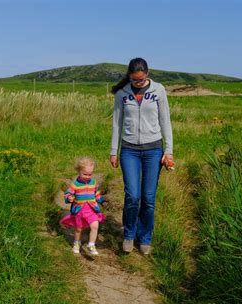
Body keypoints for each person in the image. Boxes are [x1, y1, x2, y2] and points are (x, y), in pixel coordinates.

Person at [110, 57, 174, 255]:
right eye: (134, 80)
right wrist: (114, 151)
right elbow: (117, 124)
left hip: (153, 150)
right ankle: (129, 234)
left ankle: (145, 237)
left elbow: (165, 121)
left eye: (141, 80)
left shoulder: (159, 90)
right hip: (129, 149)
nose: (137, 83)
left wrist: (168, 150)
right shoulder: (122, 93)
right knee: (132, 196)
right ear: (129, 76)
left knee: (148, 198)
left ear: (147, 75)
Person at [60, 157, 107, 256]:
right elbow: (68, 193)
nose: (87, 176)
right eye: (84, 174)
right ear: (79, 171)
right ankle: (77, 243)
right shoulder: (75, 185)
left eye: (90, 174)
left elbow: (96, 194)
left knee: (95, 226)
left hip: (91, 210)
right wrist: (69, 198)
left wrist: (102, 201)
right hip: (79, 211)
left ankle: (91, 244)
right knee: (78, 229)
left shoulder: (93, 182)